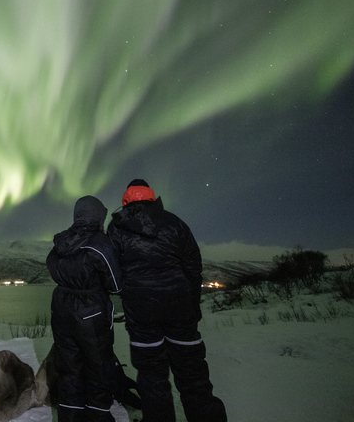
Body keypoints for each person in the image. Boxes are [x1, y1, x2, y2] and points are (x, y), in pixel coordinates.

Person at [107, 179, 226, 422]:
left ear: (126, 198)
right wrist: (191, 304)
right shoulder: (174, 223)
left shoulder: (117, 228)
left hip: (142, 316)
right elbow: (193, 267)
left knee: (152, 378)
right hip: (180, 310)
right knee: (193, 375)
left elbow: (114, 273)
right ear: (150, 196)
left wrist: (129, 295)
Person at [47, 195, 122, 422]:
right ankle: (98, 417)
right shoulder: (100, 243)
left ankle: (70, 417)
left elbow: (52, 266)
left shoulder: (61, 241)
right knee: (98, 367)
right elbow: (116, 285)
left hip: (61, 308)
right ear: (97, 216)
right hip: (91, 312)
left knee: (69, 368)